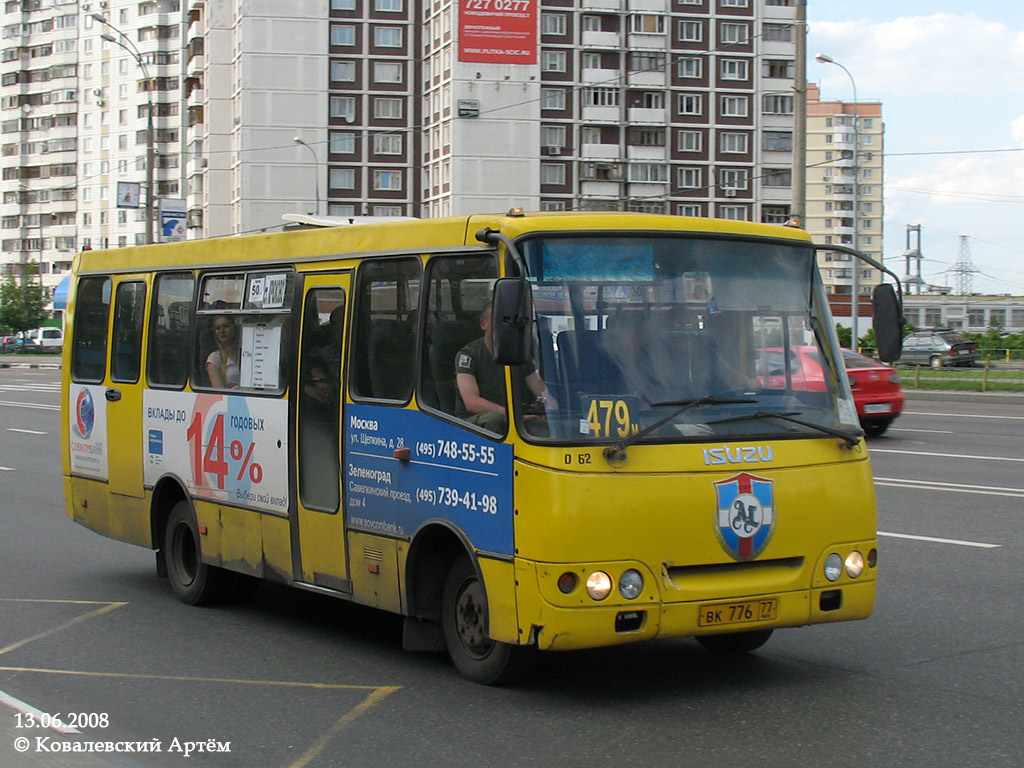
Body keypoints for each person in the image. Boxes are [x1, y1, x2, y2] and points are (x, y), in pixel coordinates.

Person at [455, 302, 555, 434]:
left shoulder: (519, 355)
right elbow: (472, 403)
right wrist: (514, 415)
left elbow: (541, 390)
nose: (504, 327)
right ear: (483, 324)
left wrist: (550, 408)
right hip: (473, 424)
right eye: (498, 321)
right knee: (496, 419)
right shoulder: (469, 355)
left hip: (515, 420)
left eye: (508, 322)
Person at [207, 314, 241, 388]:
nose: (222, 331)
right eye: (218, 328)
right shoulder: (214, 358)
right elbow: (219, 393)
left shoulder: (245, 353)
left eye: (226, 326)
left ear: (235, 328)